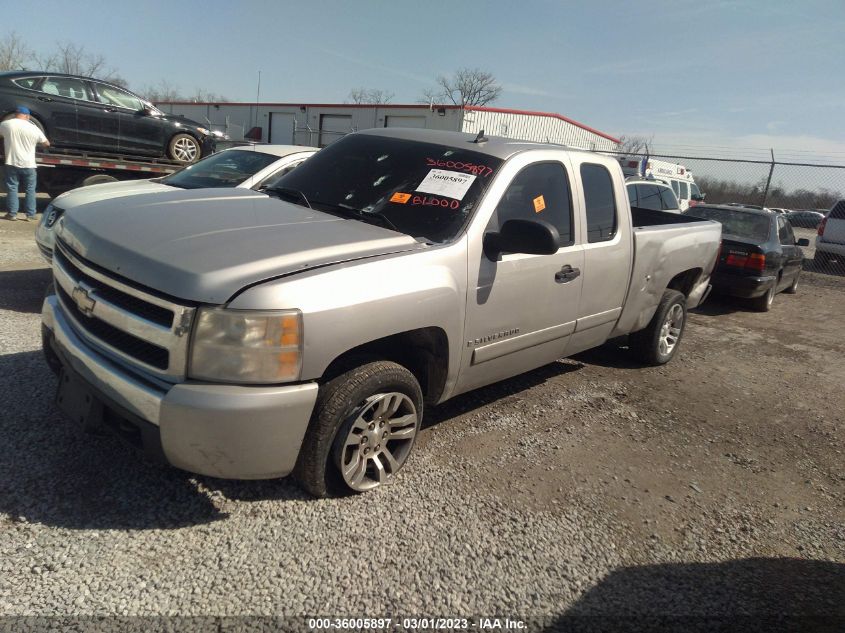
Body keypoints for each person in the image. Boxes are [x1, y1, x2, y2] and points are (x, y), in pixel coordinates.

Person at [0, 106, 50, 221]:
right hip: (29, 164)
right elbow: (46, 143)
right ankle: (30, 215)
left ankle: (12, 214)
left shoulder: (6, 124)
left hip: (11, 162)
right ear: (27, 116)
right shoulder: (34, 128)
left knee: (12, 188)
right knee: (30, 190)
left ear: (16, 114)